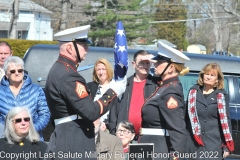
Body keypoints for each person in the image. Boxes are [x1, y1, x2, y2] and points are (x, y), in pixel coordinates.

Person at [44, 25, 126, 160]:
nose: (87, 48)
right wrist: (113, 91)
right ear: (70, 48)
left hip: (68, 137)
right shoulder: (68, 75)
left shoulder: (61, 69)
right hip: (73, 140)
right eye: (83, 44)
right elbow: (90, 112)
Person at [138, 41, 190, 160]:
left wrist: (176, 156)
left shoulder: (171, 91)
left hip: (159, 149)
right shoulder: (163, 87)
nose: (155, 64)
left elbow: (177, 128)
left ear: (171, 67)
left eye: (160, 62)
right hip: (151, 147)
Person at [185, 63, 234, 160]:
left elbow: (226, 123)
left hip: (213, 147)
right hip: (194, 146)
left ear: (217, 79)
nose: (209, 77)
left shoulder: (221, 95)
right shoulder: (193, 92)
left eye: (212, 75)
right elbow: (186, 119)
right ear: (202, 75)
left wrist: (226, 146)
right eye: (207, 74)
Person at [108, 50, 159, 138]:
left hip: (147, 137)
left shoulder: (156, 84)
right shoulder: (124, 85)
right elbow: (113, 111)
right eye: (142, 63)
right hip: (124, 138)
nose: (145, 66)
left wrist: (155, 60)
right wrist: (114, 133)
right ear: (133, 64)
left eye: (148, 63)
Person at [0, 56, 50, 141]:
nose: (17, 73)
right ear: (6, 74)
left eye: (20, 70)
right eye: (12, 71)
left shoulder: (36, 90)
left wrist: (30, 130)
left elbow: (45, 114)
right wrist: (9, 132)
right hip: (6, 139)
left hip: (32, 139)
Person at [87, 58, 114, 131]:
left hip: (111, 128)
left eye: (103, 69)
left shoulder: (115, 87)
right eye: (98, 70)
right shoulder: (89, 87)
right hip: (93, 127)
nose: (101, 72)